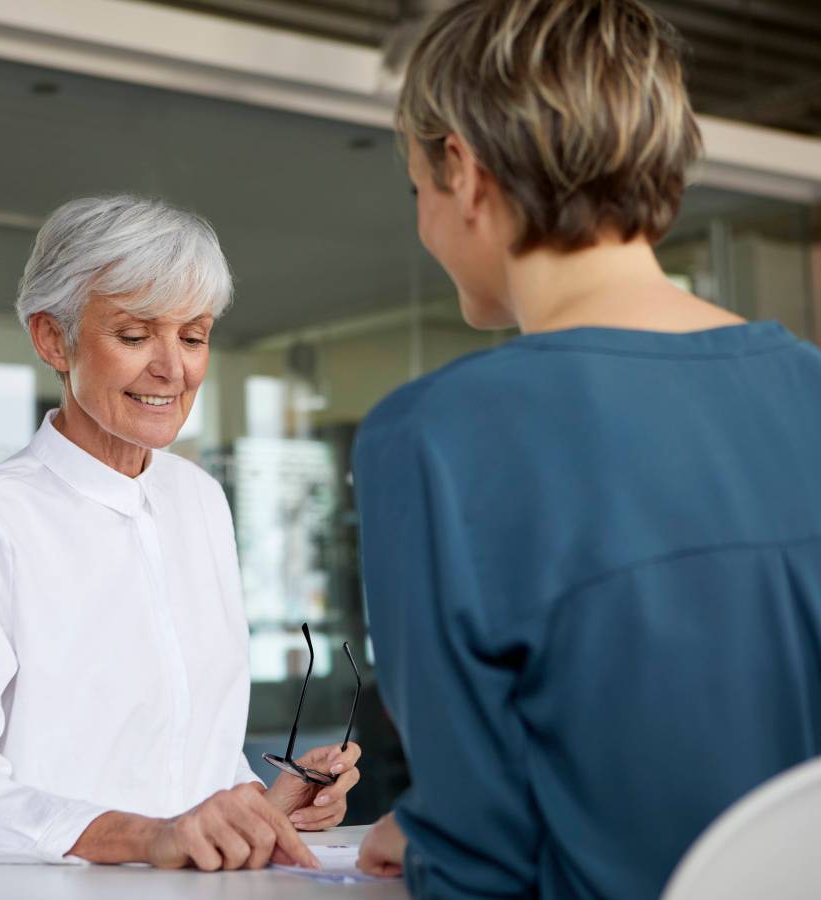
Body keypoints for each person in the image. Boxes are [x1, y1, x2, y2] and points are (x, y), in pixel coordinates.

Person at [353, 1, 821, 897]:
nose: (425, 222)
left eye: (419, 186)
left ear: (464, 167)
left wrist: (433, 840)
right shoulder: (809, 388)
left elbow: (480, 869)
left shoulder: (434, 440)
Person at [0, 195, 361, 871]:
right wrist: (145, 838)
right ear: (53, 338)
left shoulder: (200, 502)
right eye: (135, 336)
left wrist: (264, 804)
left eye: (193, 337)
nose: (173, 368)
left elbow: (188, 758)